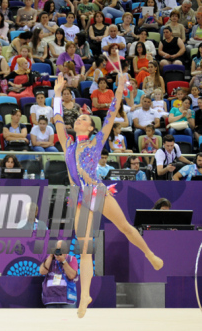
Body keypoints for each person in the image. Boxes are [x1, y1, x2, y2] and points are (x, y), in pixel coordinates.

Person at [52, 73, 163, 319]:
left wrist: (120, 89)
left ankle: (150, 254)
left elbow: (112, 114)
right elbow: (57, 118)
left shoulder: (95, 142)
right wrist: (57, 94)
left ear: (90, 127)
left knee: (124, 226)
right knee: (85, 249)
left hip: (97, 192)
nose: (79, 119)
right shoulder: (68, 146)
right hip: (80, 198)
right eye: (79, 118)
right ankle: (85, 297)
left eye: (83, 118)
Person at [40, 240, 79, 308]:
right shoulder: (49, 259)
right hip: (51, 299)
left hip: (67, 300)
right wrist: (50, 256)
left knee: (70, 318)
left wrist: (63, 261)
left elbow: (72, 276)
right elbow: (42, 271)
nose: (60, 251)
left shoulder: (72, 259)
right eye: (58, 249)